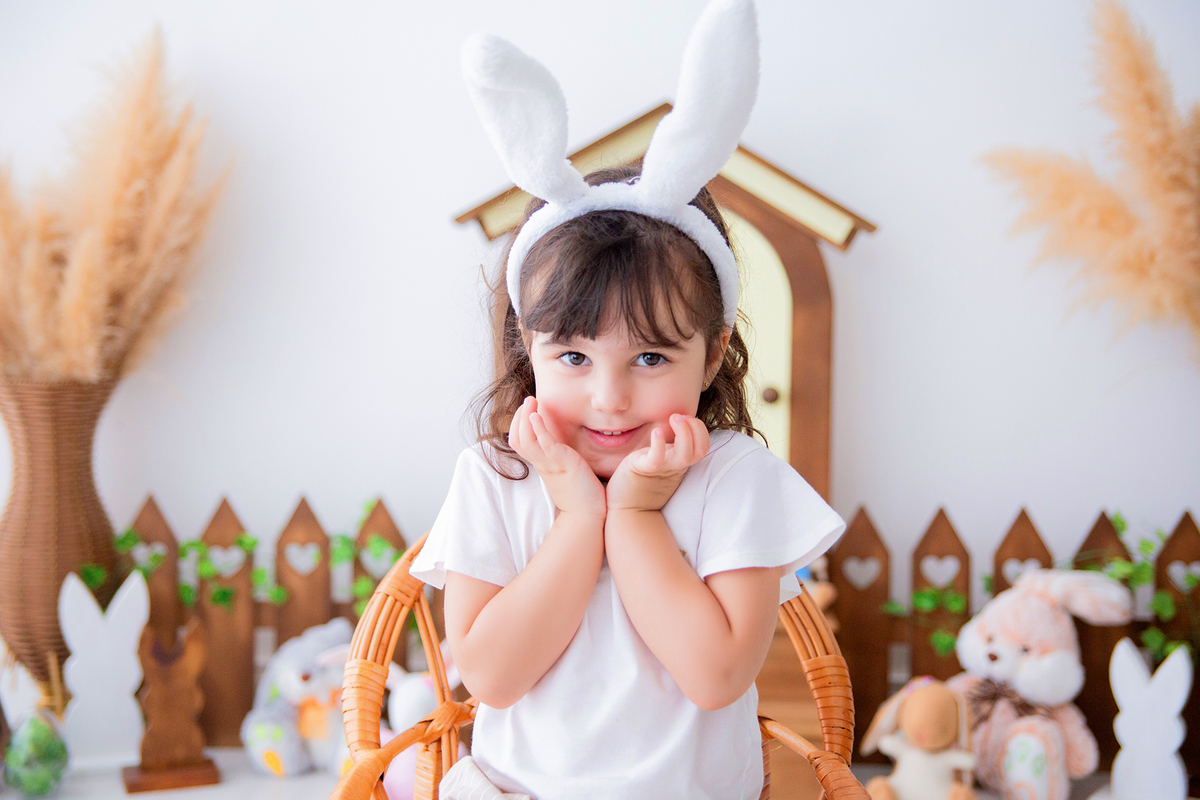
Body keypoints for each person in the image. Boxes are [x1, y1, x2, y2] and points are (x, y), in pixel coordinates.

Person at [409, 2, 845, 797]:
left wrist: (637, 516)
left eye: (650, 355)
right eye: (573, 355)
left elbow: (715, 675)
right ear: (527, 351)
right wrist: (578, 517)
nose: (610, 398)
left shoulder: (735, 477)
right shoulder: (496, 477)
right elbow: (493, 679)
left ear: (712, 353)